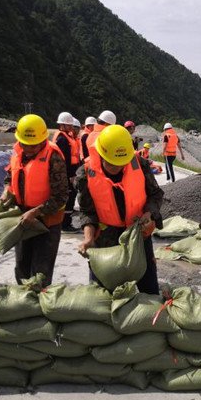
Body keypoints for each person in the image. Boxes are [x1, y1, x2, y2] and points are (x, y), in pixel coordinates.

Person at [76, 125, 163, 294]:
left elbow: (156, 194)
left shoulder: (140, 165)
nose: (118, 168)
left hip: (138, 235)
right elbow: (87, 211)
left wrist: (149, 213)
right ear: (101, 153)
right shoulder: (85, 173)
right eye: (112, 164)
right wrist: (88, 238)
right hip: (105, 240)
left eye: (122, 164)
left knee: (149, 289)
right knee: (101, 293)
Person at [1, 114, 69, 286]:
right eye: (25, 144)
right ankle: (24, 300)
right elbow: (9, 177)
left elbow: (61, 196)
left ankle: (40, 301)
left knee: (40, 273)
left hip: (47, 223)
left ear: (43, 139)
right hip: (23, 220)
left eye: (33, 145)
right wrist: (6, 191)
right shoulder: (17, 152)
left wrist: (36, 212)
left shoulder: (53, 156)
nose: (29, 149)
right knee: (22, 268)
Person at [52, 112, 80, 231]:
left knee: (69, 197)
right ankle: (65, 224)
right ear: (62, 125)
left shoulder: (65, 137)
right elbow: (65, 159)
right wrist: (70, 175)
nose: (71, 127)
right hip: (67, 174)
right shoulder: (62, 139)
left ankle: (65, 222)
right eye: (69, 125)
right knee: (69, 198)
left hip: (68, 173)